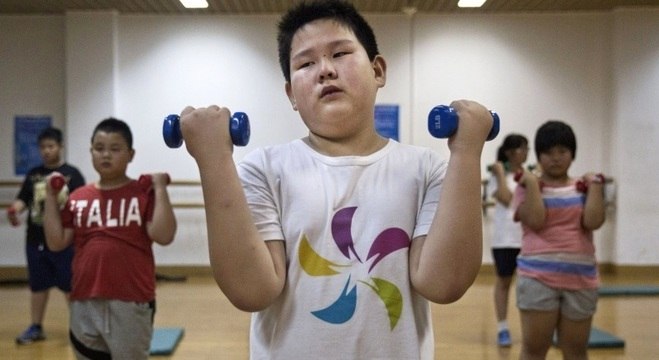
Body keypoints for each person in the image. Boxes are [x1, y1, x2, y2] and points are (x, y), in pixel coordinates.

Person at [174, 1, 495, 358]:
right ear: (291, 94)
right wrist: (214, 160)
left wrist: (467, 151)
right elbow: (251, 291)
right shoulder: (265, 169)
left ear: (378, 71)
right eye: (306, 63)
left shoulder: (425, 170)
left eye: (340, 53)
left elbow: (443, 283)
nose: (325, 70)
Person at [42, 118, 177, 359]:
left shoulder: (141, 193)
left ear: (131, 154)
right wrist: (51, 197)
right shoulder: (78, 197)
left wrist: (160, 188)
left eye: (115, 149)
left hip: (130, 302)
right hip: (84, 301)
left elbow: (164, 235)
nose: (106, 155)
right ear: (91, 152)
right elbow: (56, 242)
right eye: (99, 148)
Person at [513, 120, 606, 359]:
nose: (555, 158)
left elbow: (593, 222)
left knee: (575, 351)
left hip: (581, 279)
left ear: (572, 154)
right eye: (548, 152)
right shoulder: (526, 186)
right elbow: (535, 220)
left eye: (562, 151)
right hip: (538, 278)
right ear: (539, 155)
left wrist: (595, 186)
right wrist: (533, 183)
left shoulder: (584, 187)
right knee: (534, 350)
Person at [7, 127, 85, 345]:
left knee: (71, 286)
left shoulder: (72, 174)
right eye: (42, 147)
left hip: (66, 241)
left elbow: (81, 202)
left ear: (60, 147)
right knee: (38, 285)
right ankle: (36, 327)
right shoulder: (33, 174)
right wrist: (15, 210)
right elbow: (23, 199)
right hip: (36, 240)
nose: (46, 151)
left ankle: (78, 328)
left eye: (51, 146)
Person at [486, 133, 529, 347]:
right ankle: (503, 328)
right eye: (523, 148)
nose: (527, 152)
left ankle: (532, 329)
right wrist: (501, 174)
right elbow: (506, 199)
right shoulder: (497, 176)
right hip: (505, 240)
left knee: (529, 286)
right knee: (504, 283)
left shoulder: (530, 176)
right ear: (511, 152)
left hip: (528, 240)